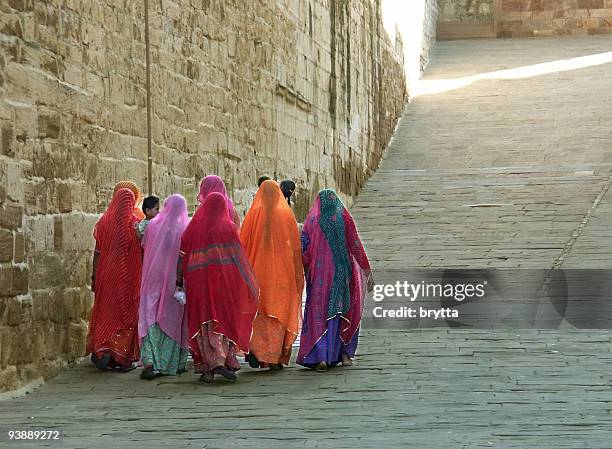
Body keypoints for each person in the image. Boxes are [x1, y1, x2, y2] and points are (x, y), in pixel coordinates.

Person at [177, 192, 258, 383]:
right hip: (225, 284)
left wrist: (179, 280)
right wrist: (248, 282)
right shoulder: (228, 227)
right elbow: (238, 257)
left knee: (204, 321)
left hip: (199, 284)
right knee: (224, 318)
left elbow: (182, 255)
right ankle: (221, 359)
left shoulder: (193, 228)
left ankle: (209, 368)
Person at [297, 189, 374, 372]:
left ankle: (322, 357)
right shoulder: (343, 218)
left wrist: (304, 267)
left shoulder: (312, 221)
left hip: (320, 276)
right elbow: (355, 244)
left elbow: (304, 250)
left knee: (319, 314)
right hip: (343, 272)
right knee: (343, 311)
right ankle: (345, 355)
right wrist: (366, 269)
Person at [240, 180, 303, 370]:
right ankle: (275, 357)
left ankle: (259, 353)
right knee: (279, 311)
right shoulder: (286, 215)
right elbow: (294, 247)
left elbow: (242, 245)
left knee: (261, 313)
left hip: (258, 273)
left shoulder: (253, 215)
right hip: (282, 273)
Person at [88, 188, 142, 371]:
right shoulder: (134, 225)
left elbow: (97, 252)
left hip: (106, 273)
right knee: (125, 312)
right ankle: (121, 356)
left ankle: (103, 348)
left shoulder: (104, 222)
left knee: (106, 310)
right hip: (127, 277)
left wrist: (94, 274)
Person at [139, 194, 190, 380]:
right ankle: (171, 363)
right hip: (173, 283)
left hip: (152, 280)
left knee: (150, 318)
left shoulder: (152, 225)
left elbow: (143, 245)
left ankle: (151, 361)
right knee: (172, 320)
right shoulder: (184, 228)